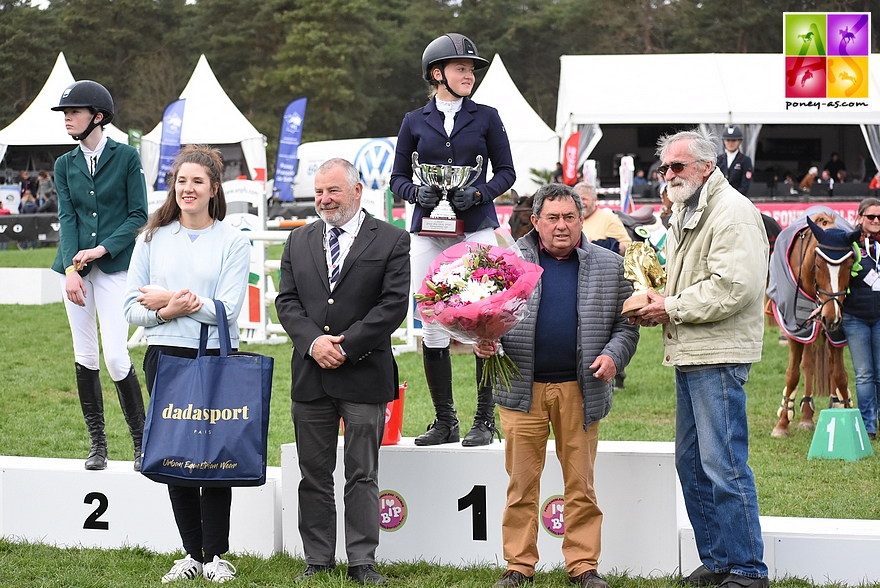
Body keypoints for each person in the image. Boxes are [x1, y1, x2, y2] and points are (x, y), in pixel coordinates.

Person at [475, 183, 639, 588]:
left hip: (582, 391)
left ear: (582, 219)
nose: (561, 226)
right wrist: (483, 340)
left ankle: (583, 566)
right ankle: (519, 565)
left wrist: (613, 357)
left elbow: (627, 326)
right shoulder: (507, 263)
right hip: (521, 390)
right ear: (535, 221)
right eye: (552, 218)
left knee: (581, 486)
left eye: (569, 217)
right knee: (521, 485)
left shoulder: (610, 265)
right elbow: (484, 316)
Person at [630, 128, 770, 588]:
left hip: (719, 353)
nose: (668, 174)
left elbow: (734, 287)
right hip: (693, 350)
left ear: (707, 166)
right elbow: (693, 281)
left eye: (677, 165)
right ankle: (718, 560)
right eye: (664, 167)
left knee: (723, 465)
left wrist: (668, 306)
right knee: (691, 465)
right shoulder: (688, 210)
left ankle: (747, 569)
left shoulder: (732, 212)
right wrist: (657, 301)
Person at [276, 158, 410, 585]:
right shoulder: (298, 240)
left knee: (362, 474)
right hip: (310, 374)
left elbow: (393, 305)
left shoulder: (391, 239)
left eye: (332, 190)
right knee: (313, 474)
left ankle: (362, 561)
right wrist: (314, 343)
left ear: (357, 190)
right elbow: (286, 302)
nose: (324, 199)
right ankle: (317, 559)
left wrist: (346, 346)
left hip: (364, 374)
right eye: (318, 192)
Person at [124, 145, 249, 584]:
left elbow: (227, 310)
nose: (188, 188)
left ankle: (216, 556)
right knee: (175, 455)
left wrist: (169, 299)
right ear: (173, 186)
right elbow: (131, 309)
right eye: (181, 181)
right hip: (165, 356)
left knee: (213, 456)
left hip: (213, 356)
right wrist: (166, 312)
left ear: (214, 189)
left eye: (198, 181)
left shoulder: (234, 241)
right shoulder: (151, 239)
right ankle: (191, 554)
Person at [389, 33, 515, 447]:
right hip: (429, 228)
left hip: (475, 224)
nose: (469, 75)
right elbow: (397, 178)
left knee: (485, 319)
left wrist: (479, 193)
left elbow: (507, 171)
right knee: (432, 319)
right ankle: (446, 420)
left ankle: (484, 419)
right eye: (461, 68)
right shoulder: (413, 120)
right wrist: (415, 193)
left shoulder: (487, 116)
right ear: (437, 73)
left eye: (471, 70)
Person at [50, 80, 148, 472]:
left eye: (74, 112)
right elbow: (67, 217)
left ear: (98, 116)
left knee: (116, 355)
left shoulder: (126, 157)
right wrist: (71, 269)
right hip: (74, 272)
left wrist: (101, 250)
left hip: (113, 266)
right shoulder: (64, 164)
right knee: (85, 355)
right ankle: (98, 445)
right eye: (65, 113)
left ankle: (142, 443)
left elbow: (138, 215)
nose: (67, 118)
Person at [842, 197, 880, 441]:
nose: (876, 220)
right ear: (859, 218)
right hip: (855, 318)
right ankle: (868, 426)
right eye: (871, 216)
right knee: (864, 374)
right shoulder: (849, 243)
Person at [574, 182, 631, 255]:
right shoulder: (570, 219)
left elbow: (628, 246)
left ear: (595, 200)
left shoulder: (609, 218)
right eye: (578, 199)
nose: (581, 203)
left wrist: (599, 245)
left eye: (584, 199)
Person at [716, 125, 753, 196]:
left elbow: (745, 185)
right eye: (728, 140)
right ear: (724, 141)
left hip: (738, 197)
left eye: (734, 140)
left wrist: (733, 197)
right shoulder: (719, 159)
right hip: (720, 197)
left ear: (739, 141)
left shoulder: (745, 160)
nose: (730, 143)